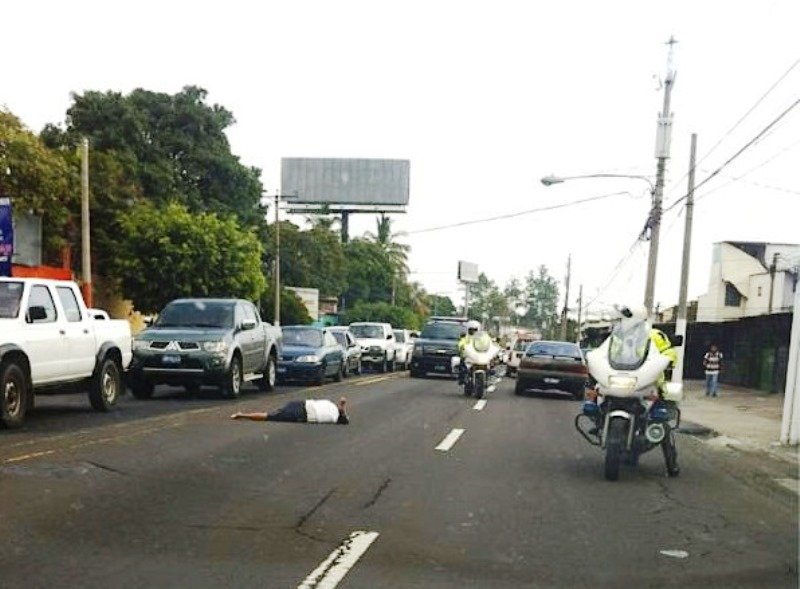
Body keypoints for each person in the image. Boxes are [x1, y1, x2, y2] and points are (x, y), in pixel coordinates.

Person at [231, 397, 349, 424]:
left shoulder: (334, 414)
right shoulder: (333, 414)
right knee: (272, 415)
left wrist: (342, 404)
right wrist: (342, 405)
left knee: (271, 416)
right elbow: (343, 414)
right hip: (305, 409)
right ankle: (243, 415)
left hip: (304, 409)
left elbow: (343, 412)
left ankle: (243, 415)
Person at [457, 320, 481, 384]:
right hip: (467, 355)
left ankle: (489, 374)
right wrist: (461, 347)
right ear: (468, 329)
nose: (473, 331)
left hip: (477, 356)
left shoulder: (481, 337)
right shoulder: (465, 337)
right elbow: (461, 343)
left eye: (475, 330)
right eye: (471, 329)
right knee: (462, 366)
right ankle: (461, 378)